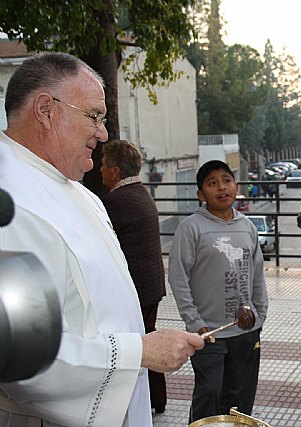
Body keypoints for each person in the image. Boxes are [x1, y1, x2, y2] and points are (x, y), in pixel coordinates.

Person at [0, 52, 204, 426]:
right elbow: (19, 351)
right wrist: (138, 352)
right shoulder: (10, 199)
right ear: (45, 110)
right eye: (94, 116)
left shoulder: (80, 192)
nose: (103, 133)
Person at [168, 160, 268, 421]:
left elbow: (258, 273)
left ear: (236, 186)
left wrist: (260, 315)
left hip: (246, 331)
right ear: (201, 194)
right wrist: (194, 322)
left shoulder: (247, 227)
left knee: (241, 397)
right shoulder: (191, 228)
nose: (221, 187)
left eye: (226, 180)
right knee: (209, 393)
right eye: (212, 183)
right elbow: (178, 278)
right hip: (209, 334)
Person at [100, 139, 168, 414]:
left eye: (104, 164)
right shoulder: (140, 193)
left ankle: (144, 401)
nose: (100, 170)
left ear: (115, 171)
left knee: (136, 345)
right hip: (150, 284)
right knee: (147, 337)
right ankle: (157, 400)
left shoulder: (114, 202)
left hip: (135, 288)